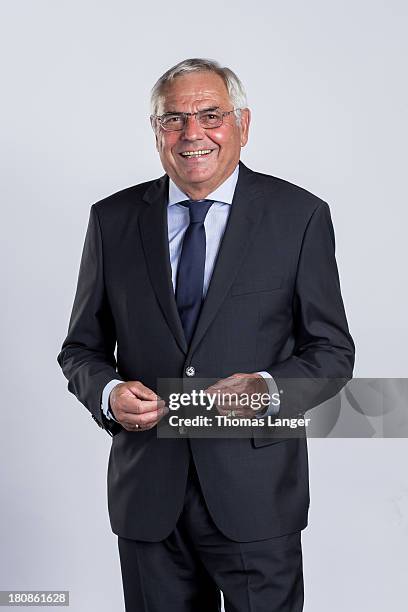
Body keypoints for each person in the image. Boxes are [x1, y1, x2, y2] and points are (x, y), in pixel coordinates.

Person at [57, 58, 355, 612]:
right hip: (149, 495)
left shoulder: (299, 216)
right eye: (174, 119)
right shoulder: (113, 220)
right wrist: (108, 392)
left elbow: (333, 353)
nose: (193, 134)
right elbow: (81, 348)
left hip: (256, 494)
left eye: (210, 115)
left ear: (242, 124)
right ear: (156, 132)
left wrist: (267, 388)